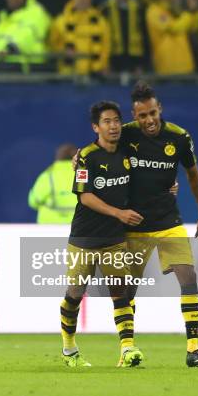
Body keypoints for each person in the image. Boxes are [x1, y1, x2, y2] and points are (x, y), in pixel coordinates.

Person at [120, 81, 198, 368]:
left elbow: (193, 175)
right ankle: (127, 348)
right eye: (142, 115)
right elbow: (96, 153)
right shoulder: (124, 135)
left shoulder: (179, 137)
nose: (148, 120)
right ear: (134, 115)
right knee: (127, 288)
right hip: (133, 224)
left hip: (167, 221)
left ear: (160, 109)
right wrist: (78, 159)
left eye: (152, 113)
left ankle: (193, 349)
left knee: (188, 276)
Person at [63, 101, 144, 368]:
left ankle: (127, 349)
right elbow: (85, 197)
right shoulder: (87, 155)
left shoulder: (128, 153)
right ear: (95, 127)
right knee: (75, 295)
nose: (113, 126)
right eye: (107, 122)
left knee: (121, 294)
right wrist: (119, 213)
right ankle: (69, 350)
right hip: (84, 238)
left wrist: (169, 187)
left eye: (117, 120)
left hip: (114, 239)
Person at [49, 0, 111, 76]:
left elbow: (106, 47)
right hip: (68, 76)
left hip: (95, 75)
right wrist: (64, 51)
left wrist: (104, 65)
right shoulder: (61, 21)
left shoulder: (101, 22)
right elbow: (52, 45)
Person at [0, 0, 51, 73]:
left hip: (27, 72)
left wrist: (10, 48)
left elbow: (29, 34)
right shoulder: (4, 17)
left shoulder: (36, 12)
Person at [146, 0, 198, 75]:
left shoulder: (173, 9)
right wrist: (190, 13)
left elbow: (193, 27)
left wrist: (195, 12)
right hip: (167, 70)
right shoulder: (154, 11)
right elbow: (175, 28)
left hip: (187, 68)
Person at [28, 143, 78, 223]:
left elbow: (33, 201)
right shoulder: (86, 176)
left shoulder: (48, 176)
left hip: (51, 228)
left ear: (58, 158)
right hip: (80, 227)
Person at [101, 0, 147, 74]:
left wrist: (142, 64)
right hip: (113, 63)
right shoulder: (105, 10)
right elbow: (102, 41)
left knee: (139, 85)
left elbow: (145, 38)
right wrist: (104, 64)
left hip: (135, 62)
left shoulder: (139, 9)